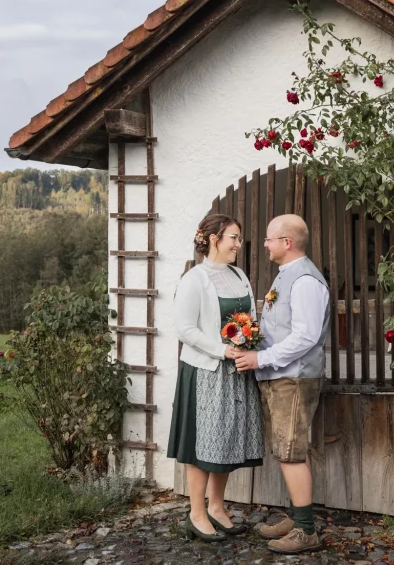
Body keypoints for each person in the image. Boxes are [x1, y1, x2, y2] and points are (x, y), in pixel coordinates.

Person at [233, 213, 329, 555]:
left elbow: (306, 336)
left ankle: (306, 531)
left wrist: (261, 358)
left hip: (295, 379)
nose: (264, 244)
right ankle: (296, 516)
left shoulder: (304, 281)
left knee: (291, 453)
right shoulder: (286, 276)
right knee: (285, 451)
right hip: (280, 377)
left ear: (287, 243)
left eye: (270, 238)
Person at [167, 213, 264, 542]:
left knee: (223, 443)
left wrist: (248, 342)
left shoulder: (239, 276)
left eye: (238, 238)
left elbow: (249, 318)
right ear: (213, 240)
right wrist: (222, 350)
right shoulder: (195, 278)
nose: (239, 244)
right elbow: (185, 329)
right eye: (233, 237)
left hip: (236, 373)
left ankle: (217, 507)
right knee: (201, 445)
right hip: (205, 372)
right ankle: (196, 513)